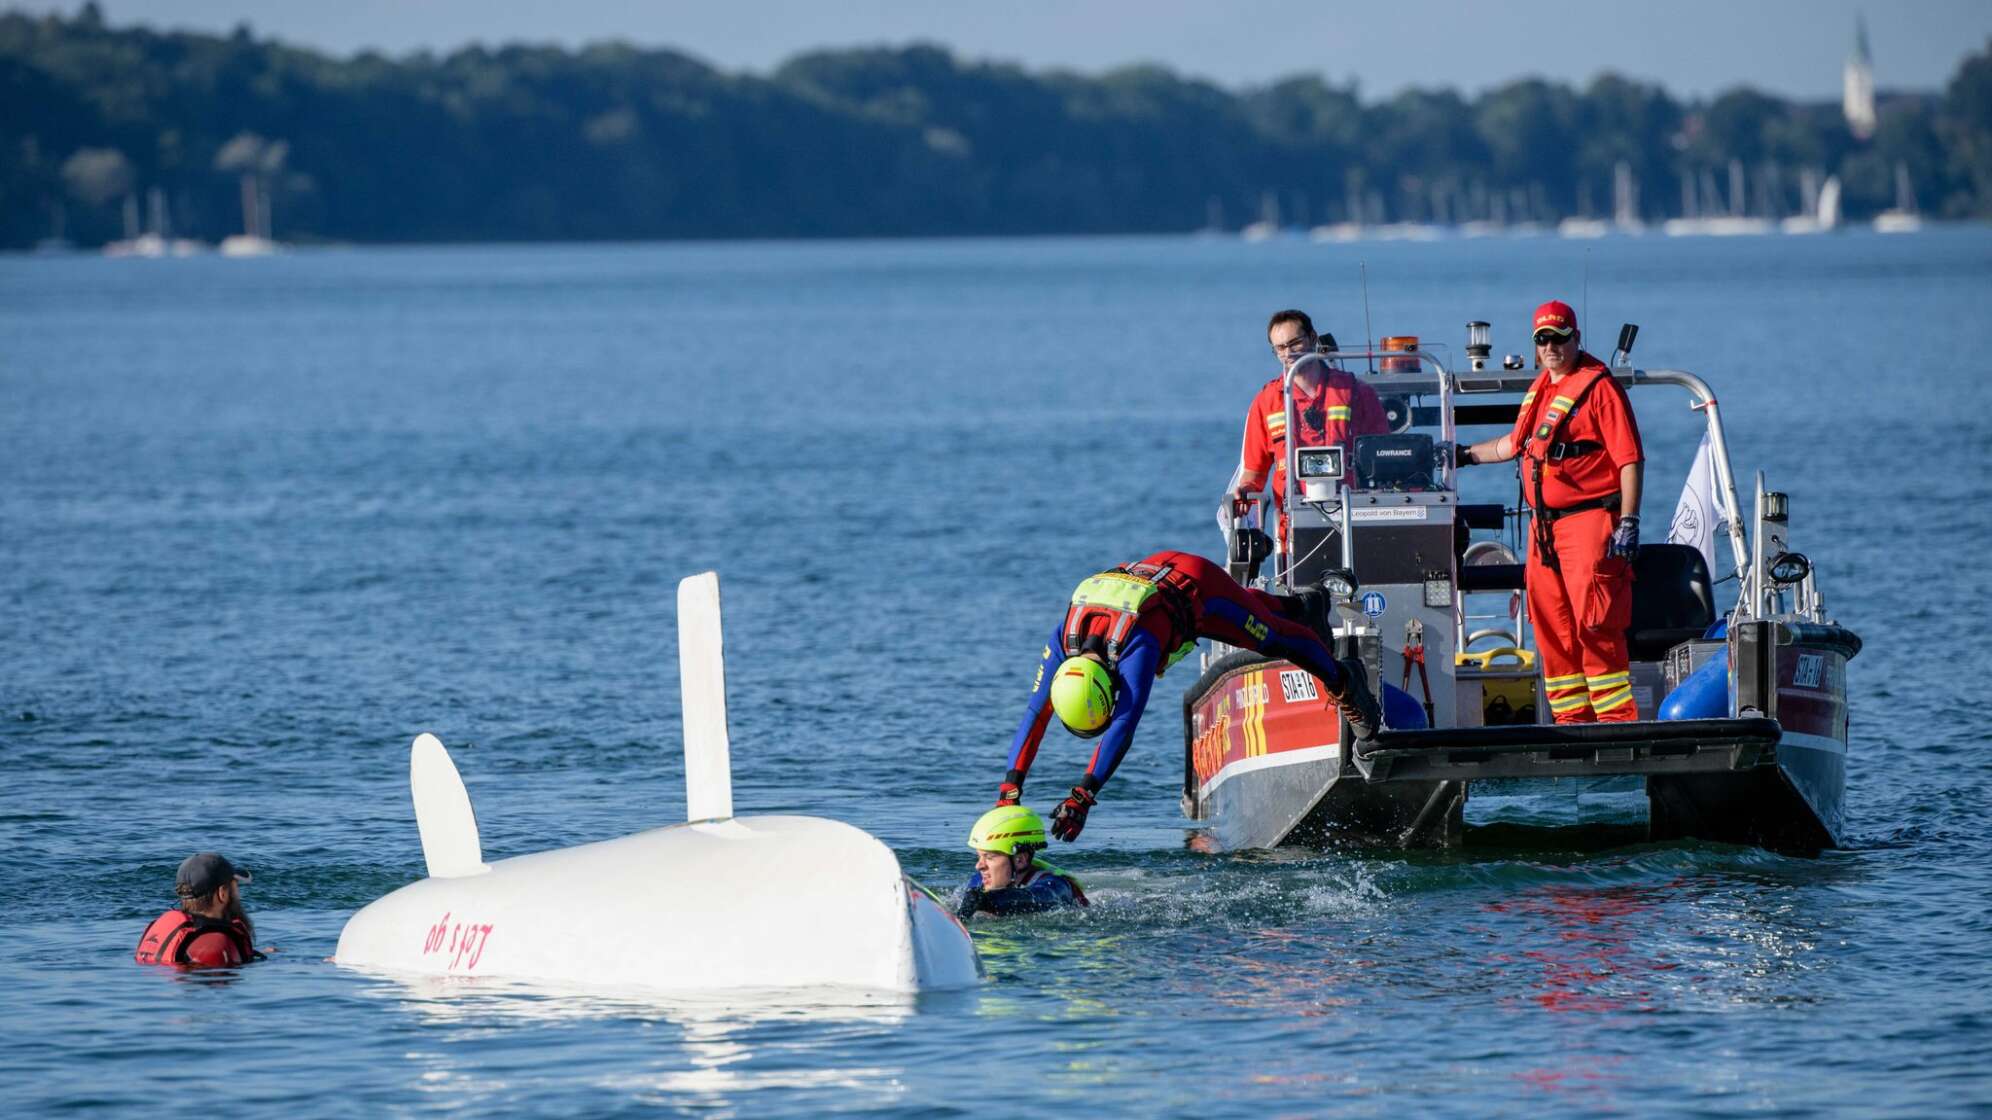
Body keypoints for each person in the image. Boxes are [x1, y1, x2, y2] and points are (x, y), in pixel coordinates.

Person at [996, 549, 1381, 840]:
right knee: (1254, 612)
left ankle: (1344, 679)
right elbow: (1035, 713)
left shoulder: (1137, 647)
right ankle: (1305, 605)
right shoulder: (1065, 640)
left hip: (1199, 587)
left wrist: (1083, 796)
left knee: (1272, 638)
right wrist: (1009, 789)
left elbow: (1124, 725)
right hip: (1161, 578)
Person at [1455, 300, 1645, 723]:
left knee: (1596, 623)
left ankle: (1616, 724)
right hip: (1544, 530)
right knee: (1552, 629)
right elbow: (1514, 445)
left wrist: (1629, 521)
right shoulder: (1542, 388)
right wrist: (1463, 455)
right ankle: (1570, 722)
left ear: (1576, 338)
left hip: (1590, 521)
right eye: (1543, 339)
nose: (1551, 346)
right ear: (1536, 345)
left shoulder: (1599, 388)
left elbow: (1629, 460)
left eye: (1560, 337)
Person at [1224, 309, 1392, 549]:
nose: (1289, 353)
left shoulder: (1356, 392)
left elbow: (1384, 458)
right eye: (1280, 348)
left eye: (1295, 343)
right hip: (1292, 530)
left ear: (1313, 339)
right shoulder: (1266, 402)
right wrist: (1244, 491)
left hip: (1355, 521)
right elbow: (1254, 474)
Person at [134, 852, 267, 968]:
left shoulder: (171, 930)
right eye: (235, 887)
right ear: (222, 893)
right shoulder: (215, 945)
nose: (238, 895)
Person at [956, 805, 1089, 918]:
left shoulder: (1056, 886)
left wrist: (987, 901)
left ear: (1020, 859)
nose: (979, 866)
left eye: (989, 857)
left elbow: (1034, 899)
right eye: (979, 856)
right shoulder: (982, 880)